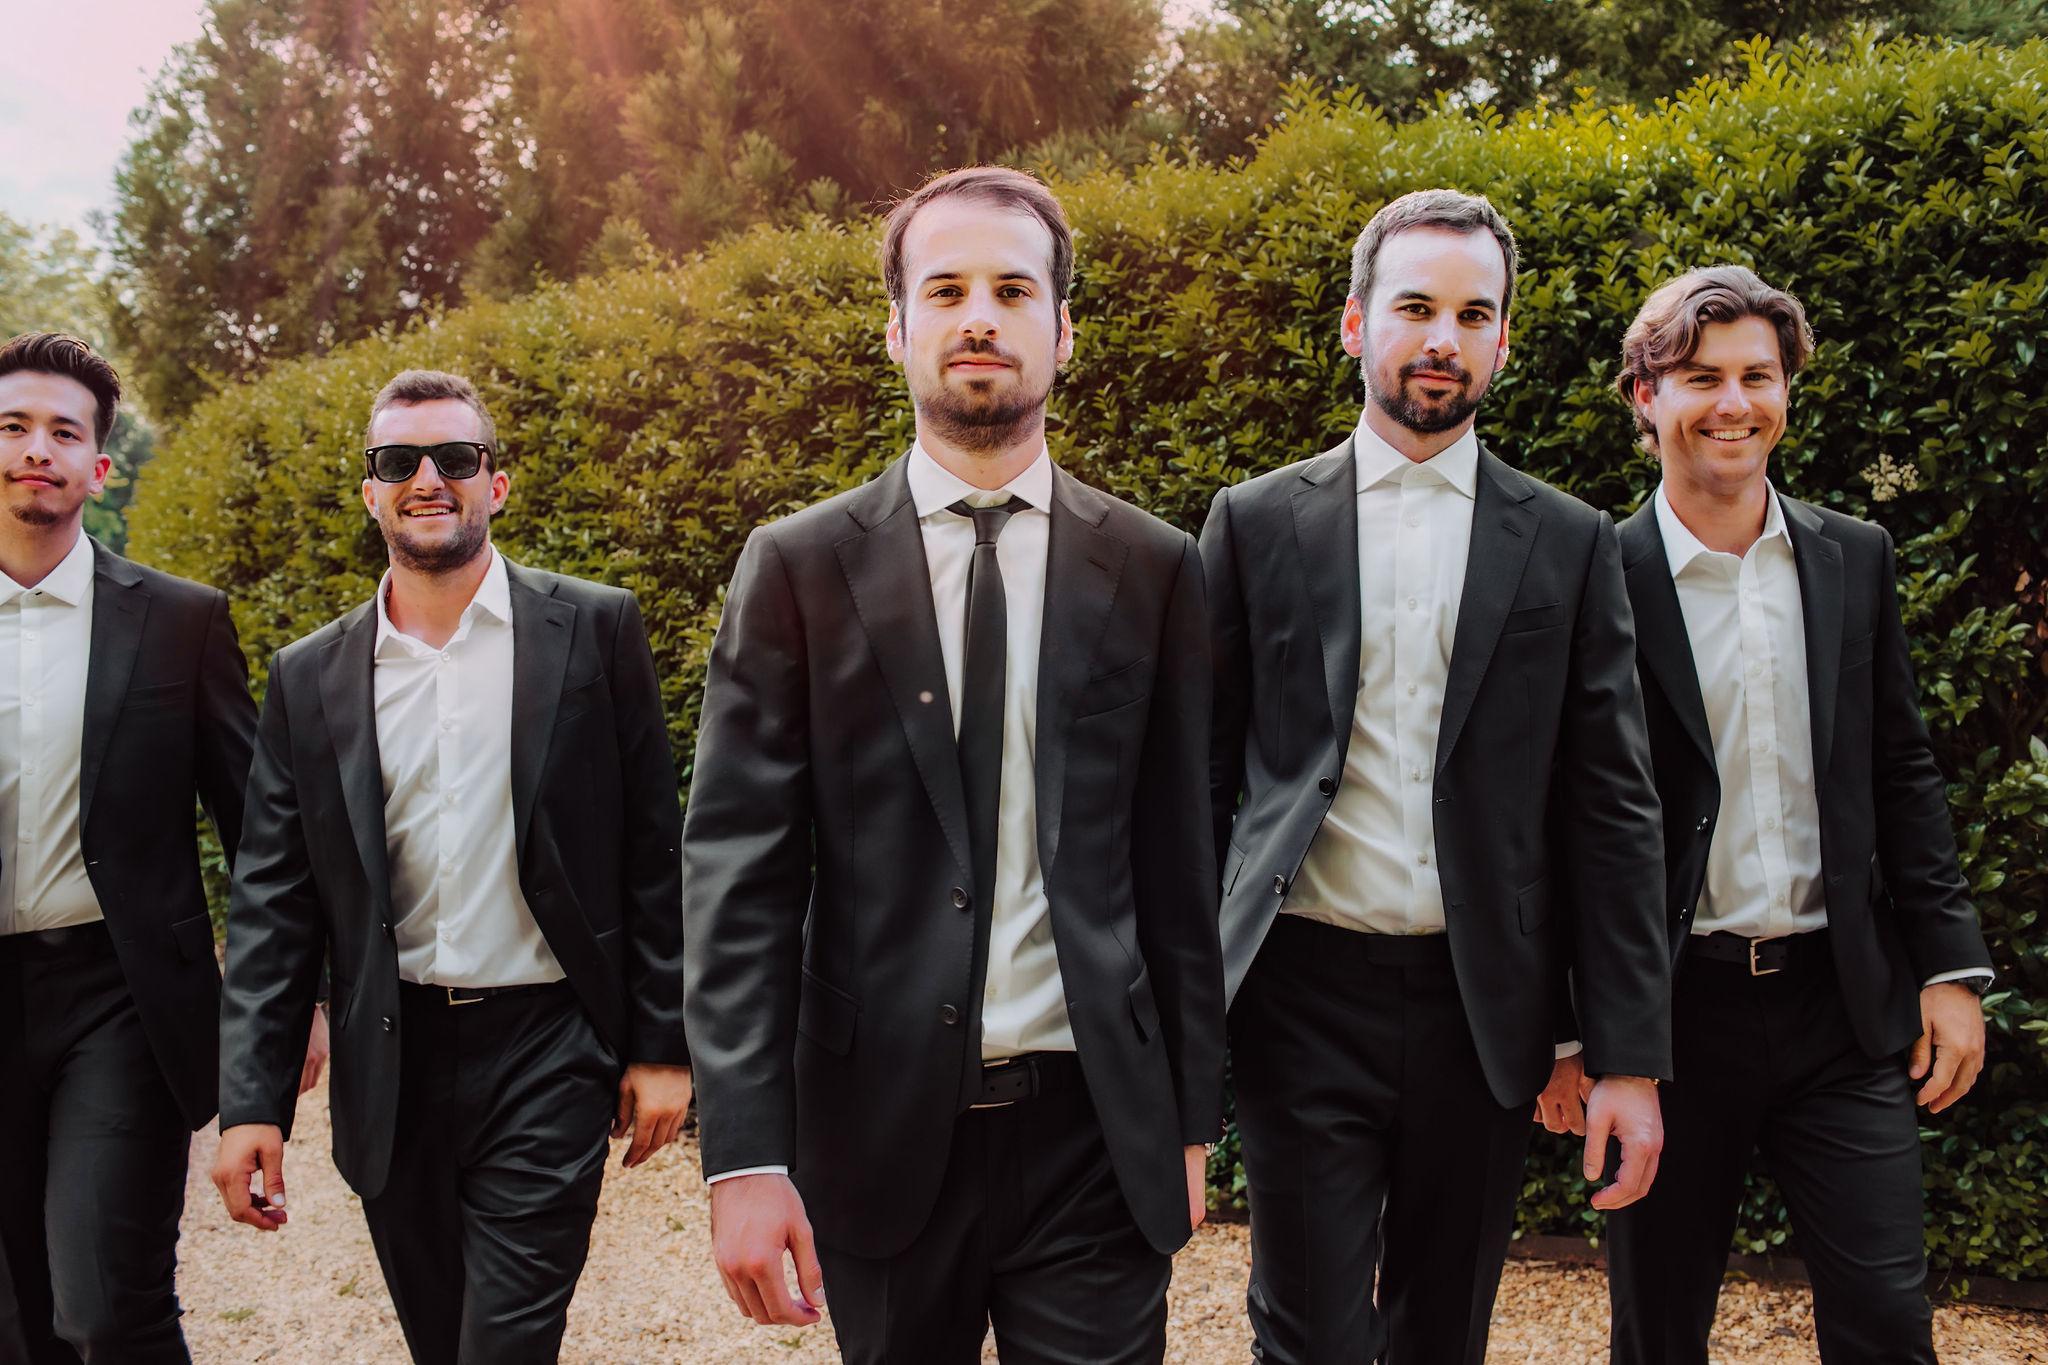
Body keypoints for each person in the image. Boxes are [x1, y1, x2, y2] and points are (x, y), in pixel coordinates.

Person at [682, 166, 1223, 1363]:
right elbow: (738, 882)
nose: (979, 316)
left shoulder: (1154, 568)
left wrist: (1187, 1121)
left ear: (1062, 331)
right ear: (897, 330)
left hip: (1093, 1136)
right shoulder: (795, 570)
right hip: (874, 1132)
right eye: (945, 290)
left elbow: (1178, 867)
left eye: (1012, 291)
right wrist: (746, 1154)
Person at [1200, 190, 1670, 1364]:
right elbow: (1195, 784)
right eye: (1414, 307)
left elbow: (1610, 805)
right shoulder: (1252, 524)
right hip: (1300, 992)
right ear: (1355, 323)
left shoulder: (1566, 540)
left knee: (1442, 1332)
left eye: (1472, 315)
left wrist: (1619, 1050)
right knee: (1305, 1333)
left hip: (1483, 1006)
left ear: (1501, 341)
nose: (1441, 339)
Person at [212, 369, 692, 1364]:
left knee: (505, 1345)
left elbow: (652, 850)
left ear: (495, 483)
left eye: (455, 458)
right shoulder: (309, 676)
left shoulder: (595, 629)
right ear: (371, 493)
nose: (427, 479)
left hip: (550, 1047)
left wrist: (662, 1046)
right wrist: (253, 1101)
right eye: (399, 462)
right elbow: (272, 898)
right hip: (392, 1057)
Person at [1604, 266, 1993, 1364]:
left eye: (1757, 376)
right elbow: (1564, 818)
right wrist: (1579, 1033)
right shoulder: (1596, 574)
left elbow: (1900, 769)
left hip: (1839, 1010)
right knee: (1657, 1334)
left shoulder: (1851, 556)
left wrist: (1949, 968)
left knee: (1886, 1325)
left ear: (1786, 389)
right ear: (1645, 395)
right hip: (1671, 1019)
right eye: (1700, 377)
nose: (1733, 403)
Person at [0, 331, 304, 1364]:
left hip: (119, 998)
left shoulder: (180, 622)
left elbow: (263, 832)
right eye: (13, 426)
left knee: (106, 1304)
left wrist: (294, 1001)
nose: (36, 449)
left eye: (63, 432)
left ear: (98, 466)